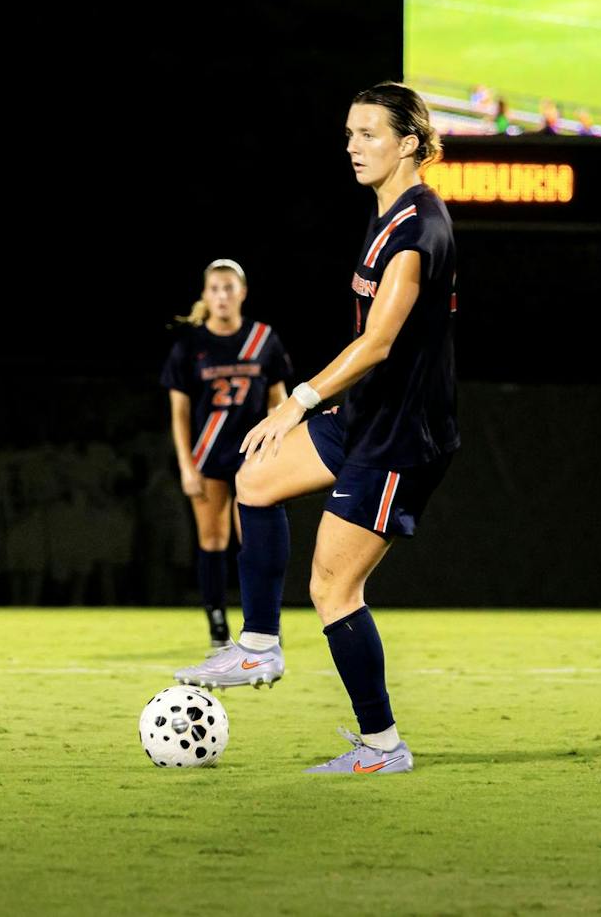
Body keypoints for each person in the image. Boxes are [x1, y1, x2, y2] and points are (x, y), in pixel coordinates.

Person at [174, 83, 460, 776]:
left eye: (368, 133)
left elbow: (379, 342)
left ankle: (382, 746)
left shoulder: (421, 226)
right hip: (366, 417)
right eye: (349, 132)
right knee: (256, 476)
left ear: (409, 144)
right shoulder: (386, 211)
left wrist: (296, 399)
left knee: (333, 590)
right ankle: (259, 644)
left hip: (401, 438)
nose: (352, 144)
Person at [161, 260, 292, 650]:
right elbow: (180, 412)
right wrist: (187, 465)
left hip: (251, 455)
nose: (222, 295)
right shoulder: (190, 345)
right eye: (214, 288)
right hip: (209, 455)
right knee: (213, 539)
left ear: (243, 292)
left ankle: (264, 622)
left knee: (254, 539)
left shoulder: (262, 338)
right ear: (205, 295)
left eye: (229, 288)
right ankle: (217, 624)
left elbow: (279, 399)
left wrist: (277, 443)